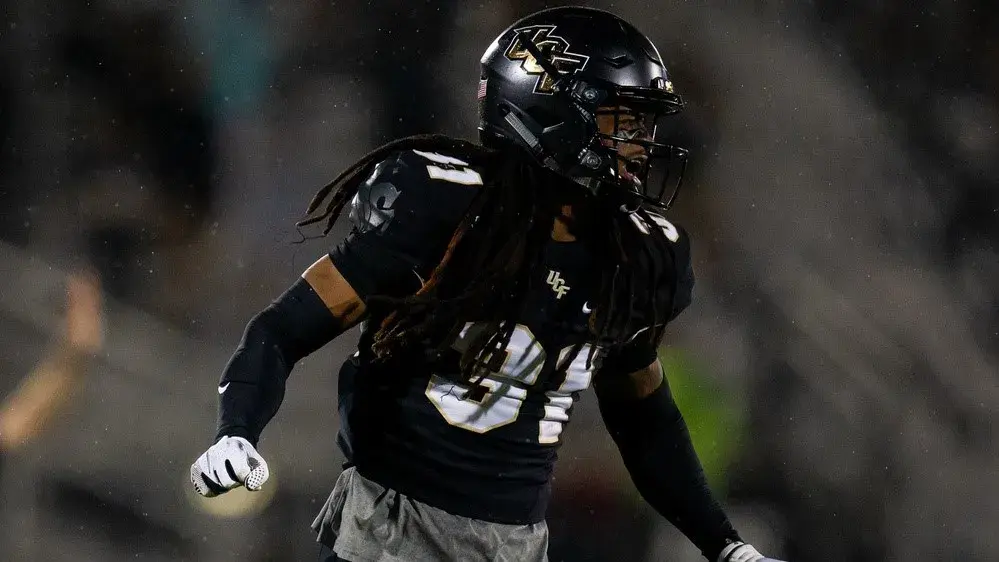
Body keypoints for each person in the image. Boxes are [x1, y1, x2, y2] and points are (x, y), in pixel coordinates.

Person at [190, 7, 785, 562]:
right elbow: (281, 329)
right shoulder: (443, 207)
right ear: (552, 110)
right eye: (621, 121)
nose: (640, 145)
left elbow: (644, 418)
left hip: (520, 545)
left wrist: (724, 544)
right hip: (391, 534)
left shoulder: (637, 255)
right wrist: (237, 430)